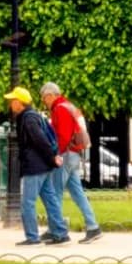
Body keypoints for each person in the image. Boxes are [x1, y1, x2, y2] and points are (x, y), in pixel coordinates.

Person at [7, 85, 68, 244]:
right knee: (50, 200)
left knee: (28, 202)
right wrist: (51, 159)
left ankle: (32, 237)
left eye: (12, 101)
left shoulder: (28, 119)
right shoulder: (33, 116)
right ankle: (60, 234)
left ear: (20, 103)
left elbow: (40, 141)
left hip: (34, 167)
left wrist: (52, 157)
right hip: (43, 166)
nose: (10, 104)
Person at [43, 82, 102, 242]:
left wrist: (56, 154)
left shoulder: (59, 108)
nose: (44, 102)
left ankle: (55, 230)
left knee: (55, 193)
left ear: (50, 95)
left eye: (44, 98)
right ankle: (93, 227)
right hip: (73, 154)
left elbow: (62, 135)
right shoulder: (68, 106)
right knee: (77, 193)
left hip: (66, 154)